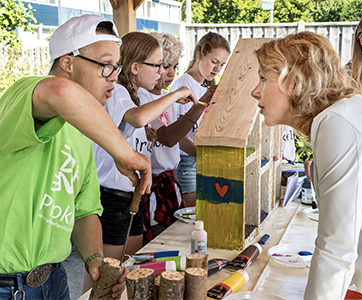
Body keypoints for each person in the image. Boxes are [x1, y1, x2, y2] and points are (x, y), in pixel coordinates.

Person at [0, 14, 151, 300]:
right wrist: (125, 153)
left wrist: (95, 258)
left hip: (53, 280)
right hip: (7, 286)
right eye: (106, 65)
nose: (115, 77)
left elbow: (84, 210)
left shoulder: (84, 129)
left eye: (116, 67)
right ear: (67, 63)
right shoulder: (24, 93)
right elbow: (61, 91)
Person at [251, 31, 362, 299]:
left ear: (294, 82)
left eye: (263, 79)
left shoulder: (337, 123)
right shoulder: (345, 112)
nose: (255, 90)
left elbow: (336, 250)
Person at [83, 32, 197, 292]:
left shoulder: (139, 94)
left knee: (126, 269)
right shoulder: (119, 91)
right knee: (104, 275)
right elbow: (137, 118)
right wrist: (176, 94)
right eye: (157, 65)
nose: (161, 71)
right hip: (111, 195)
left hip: (130, 193)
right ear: (135, 67)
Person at [137, 32, 216, 243]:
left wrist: (204, 156)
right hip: (152, 184)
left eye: (174, 67)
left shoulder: (165, 97)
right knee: (156, 239)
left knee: (172, 237)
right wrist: (201, 104)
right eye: (163, 67)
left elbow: (179, 138)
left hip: (170, 179)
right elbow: (168, 137)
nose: (170, 73)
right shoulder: (142, 98)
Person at [169, 32, 230, 207]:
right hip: (187, 160)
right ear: (199, 54)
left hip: (201, 156)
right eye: (214, 62)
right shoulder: (183, 86)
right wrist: (208, 158)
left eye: (222, 65)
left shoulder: (206, 86)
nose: (217, 69)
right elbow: (180, 139)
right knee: (192, 216)